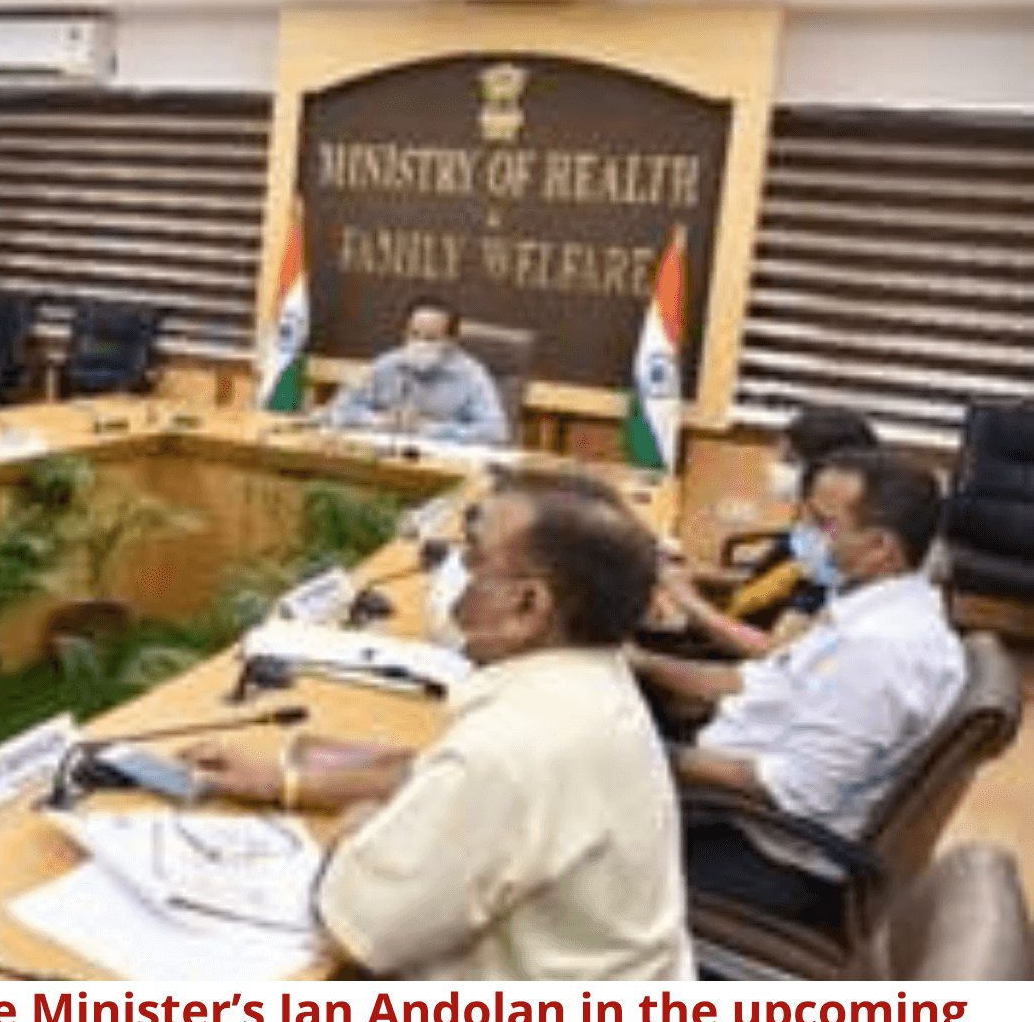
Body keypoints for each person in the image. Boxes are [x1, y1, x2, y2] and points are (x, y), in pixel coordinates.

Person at [187, 471, 689, 979]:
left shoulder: (507, 749)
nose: (456, 571)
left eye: (473, 555)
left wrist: (355, 833)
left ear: (527, 605)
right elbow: (432, 774)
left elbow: (360, 932)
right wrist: (285, 783)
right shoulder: (592, 680)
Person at [633, 448, 964, 925]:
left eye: (822, 524)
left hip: (768, 853)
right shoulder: (867, 609)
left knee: (576, 835)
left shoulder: (879, 648)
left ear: (880, 548)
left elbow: (795, 788)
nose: (801, 534)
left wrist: (652, 754)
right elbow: (755, 682)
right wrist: (645, 664)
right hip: (740, 807)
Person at [645, 406, 880, 659]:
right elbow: (774, 582)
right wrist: (693, 574)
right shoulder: (808, 531)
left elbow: (774, 650)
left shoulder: (834, 559)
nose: (776, 468)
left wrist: (690, 603)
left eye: (790, 461)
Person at [322, 296, 507, 446]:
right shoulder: (387, 365)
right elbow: (338, 410)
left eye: (431, 338)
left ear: (452, 341)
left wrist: (429, 428)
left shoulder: (471, 375)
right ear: (404, 333)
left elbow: (496, 432)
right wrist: (380, 421)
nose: (420, 344)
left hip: (444, 464)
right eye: (414, 335)